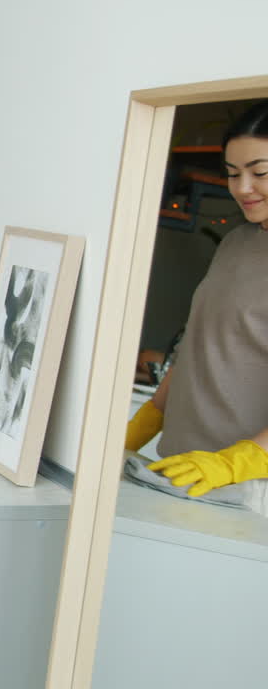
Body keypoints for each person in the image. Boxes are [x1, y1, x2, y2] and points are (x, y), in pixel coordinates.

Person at [125, 100, 268, 510]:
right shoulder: (238, 241)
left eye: (260, 172)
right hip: (180, 470)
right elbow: (203, 341)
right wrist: (148, 419)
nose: (242, 188)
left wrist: (235, 463)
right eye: (232, 173)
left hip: (247, 491)